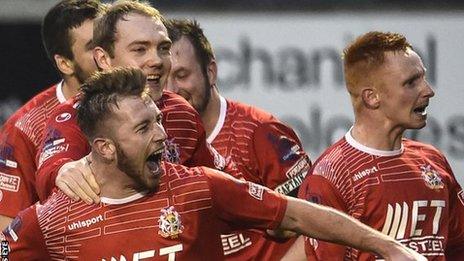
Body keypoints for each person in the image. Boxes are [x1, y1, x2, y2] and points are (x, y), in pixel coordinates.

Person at [2, 67, 425, 260]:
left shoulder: (199, 187)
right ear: (106, 147)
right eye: (144, 128)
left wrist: (389, 247)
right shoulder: (49, 223)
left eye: (159, 122)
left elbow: (297, 216)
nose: (162, 136)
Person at [283, 31, 464, 260]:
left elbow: (458, 247)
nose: (428, 90)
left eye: (423, 78)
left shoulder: (433, 161)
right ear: (372, 98)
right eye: (411, 83)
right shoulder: (331, 176)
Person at [35, 0, 234, 202]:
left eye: (164, 48)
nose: (156, 60)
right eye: (140, 49)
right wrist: (62, 171)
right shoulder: (75, 116)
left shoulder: (181, 111)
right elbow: (51, 173)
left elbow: (225, 184)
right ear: (104, 59)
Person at [165, 19, 311, 260]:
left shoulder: (260, 132)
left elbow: (315, 223)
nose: (171, 89)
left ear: (210, 72)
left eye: (182, 75)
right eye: (162, 78)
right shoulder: (156, 141)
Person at [0, 0, 104, 229]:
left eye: (109, 42)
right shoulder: (25, 129)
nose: (106, 54)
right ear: (65, 63)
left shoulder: (147, 107)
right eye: (93, 48)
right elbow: (4, 234)